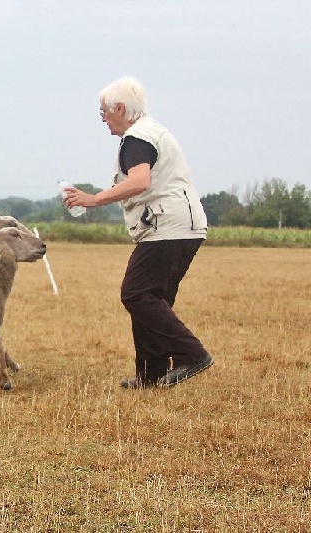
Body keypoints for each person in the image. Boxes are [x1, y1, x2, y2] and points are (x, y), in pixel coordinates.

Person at [62, 76, 214, 388]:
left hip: (167, 226)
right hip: (184, 225)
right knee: (152, 298)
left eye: (104, 112)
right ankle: (151, 375)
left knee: (137, 293)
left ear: (120, 108)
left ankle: (191, 354)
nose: (103, 119)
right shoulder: (153, 131)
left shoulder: (136, 139)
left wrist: (93, 200)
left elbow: (140, 181)